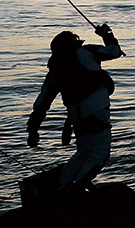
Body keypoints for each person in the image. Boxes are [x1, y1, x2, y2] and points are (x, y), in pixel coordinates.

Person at [25, 23, 124, 193]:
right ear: (74, 43)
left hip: (76, 117)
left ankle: (63, 186)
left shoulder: (54, 72)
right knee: (100, 153)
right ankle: (77, 187)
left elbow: (42, 104)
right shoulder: (87, 51)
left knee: (83, 151)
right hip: (96, 110)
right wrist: (106, 34)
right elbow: (114, 51)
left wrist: (32, 130)